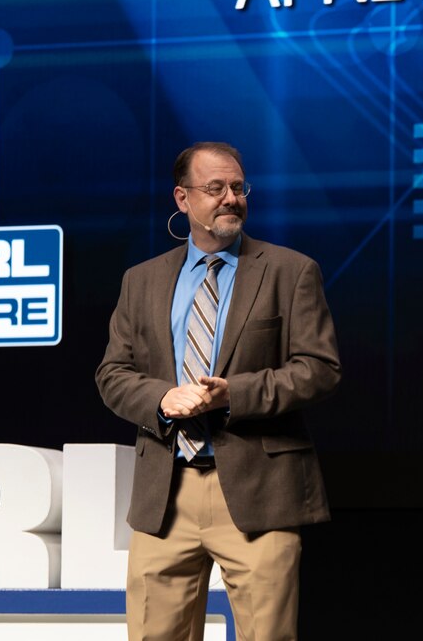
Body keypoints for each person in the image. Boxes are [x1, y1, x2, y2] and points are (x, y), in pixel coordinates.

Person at [97, 141, 340, 641]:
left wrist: (235, 393)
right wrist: (162, 400)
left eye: (238, 187)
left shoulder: (291, 272)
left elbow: (320, 369)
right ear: (182, 199)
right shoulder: (140, 281)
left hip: (259, 491)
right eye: (215, 188)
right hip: (166, 492)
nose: (231, 198)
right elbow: (113, 373)